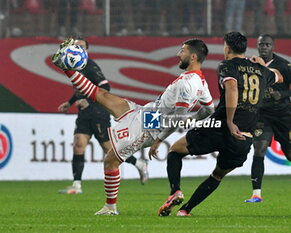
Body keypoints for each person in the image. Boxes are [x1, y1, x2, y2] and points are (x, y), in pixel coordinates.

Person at [52, 38, 215, 215]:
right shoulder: (201, 82)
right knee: (102, 95)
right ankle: (66, 68)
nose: (178, 54)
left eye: (182, 51)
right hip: (148, 112)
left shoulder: (188, 83)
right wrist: (194, 119)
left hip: (151, 125)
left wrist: (159, 139)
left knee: (110, 161)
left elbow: (178, 117)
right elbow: (209, 109)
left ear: (192, 56)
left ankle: (110, 208)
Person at [157, 31, 283, 217]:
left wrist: (231, 122)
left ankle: (175, 190)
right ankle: (185, 210)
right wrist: (264, 66)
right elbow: (279, 76)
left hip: (221, 126)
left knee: (175, 151)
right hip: (245, 136)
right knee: (217, 175)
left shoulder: (226, 65)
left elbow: (232, 87)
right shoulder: (261, 70)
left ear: (228, 47)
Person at [58, 38, 149, 194]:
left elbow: (105, 87)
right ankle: (77, 185)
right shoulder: (75, 67)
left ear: (86, 51)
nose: (77, 49)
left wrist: (87, 101)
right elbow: (80, 90)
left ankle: (139, 163)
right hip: (84, 114)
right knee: (78, 145)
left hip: (99, 113)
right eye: (75, 47)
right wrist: (70, 102)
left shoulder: (91, 66)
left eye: (81, 47)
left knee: (109, 149)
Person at [244, 34, 291, 203]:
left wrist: (282, 94)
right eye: (261, 45)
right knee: (259, 150)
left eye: (267, 44)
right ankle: (256, 194)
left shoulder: (283, 65)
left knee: (289, 152)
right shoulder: (251, 65)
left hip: (283, 115)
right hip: (262, 115)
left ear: (273, 46)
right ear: (257, 46)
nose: (263, 47)